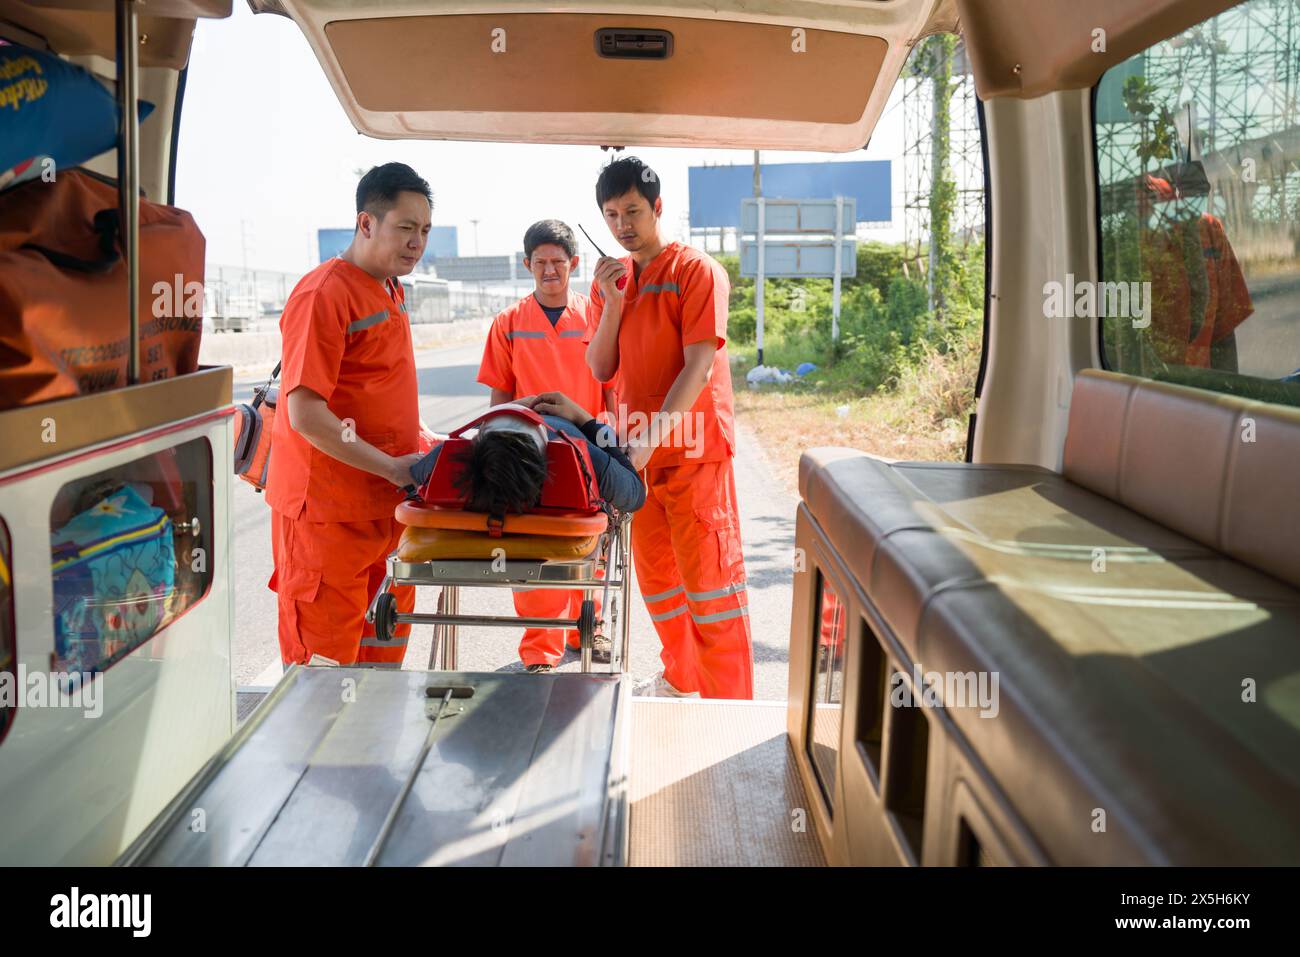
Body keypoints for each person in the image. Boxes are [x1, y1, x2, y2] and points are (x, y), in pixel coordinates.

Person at [584, 156, 754, 700]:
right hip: (640, 459)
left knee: (711, 589)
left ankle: (730, 709)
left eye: (632, 211)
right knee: (660, 585)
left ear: (657, 207)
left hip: (693, 452)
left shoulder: (695, 271)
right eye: (611, 215)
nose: (622, 225)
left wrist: (646, 443)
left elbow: (698, 365)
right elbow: (599, 368)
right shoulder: (611, 281)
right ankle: (682, 684)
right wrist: (612, 303)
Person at [265, 163, 436, 668]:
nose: (417, 242)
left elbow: (372, 390)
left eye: (424, 230)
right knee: (322, 675)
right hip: (327, 519)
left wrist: (420, 439)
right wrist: (391, 466)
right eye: (406, 227)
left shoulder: (391, 289)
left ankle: (374, 750)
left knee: (380, 662)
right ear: (366, 224)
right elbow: (306, 413)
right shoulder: (324, 294)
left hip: (384, 513)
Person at [476, 221, 615, 671]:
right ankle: (540, 651)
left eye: (558, 261)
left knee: (592, 540)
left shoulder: (595, 318)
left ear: (574, 264)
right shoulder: (508, 324)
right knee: (534, 549)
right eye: (541, 262)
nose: (549, 270)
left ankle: (587, 626)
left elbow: (612, 388)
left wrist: (609, 438)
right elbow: (497, 404)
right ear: (527, 265)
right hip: (529, 455)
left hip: (587, 450)